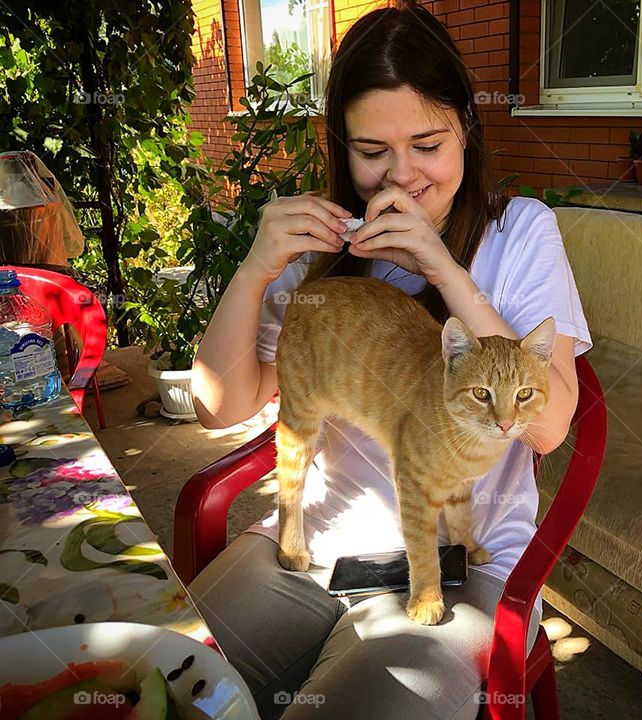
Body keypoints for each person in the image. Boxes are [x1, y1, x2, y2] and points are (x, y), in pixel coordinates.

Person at [189, 3, 592, 718]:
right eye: (373, 152)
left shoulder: (520, 233)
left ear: (467, 125)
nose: (399, 178)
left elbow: (551, 425)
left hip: (463, 570)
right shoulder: (320, 246)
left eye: (427, 143)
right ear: (342, 148)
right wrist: (253, 271)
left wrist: (443, 271)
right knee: (169, 673)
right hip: (313, 549)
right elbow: (219, 405)